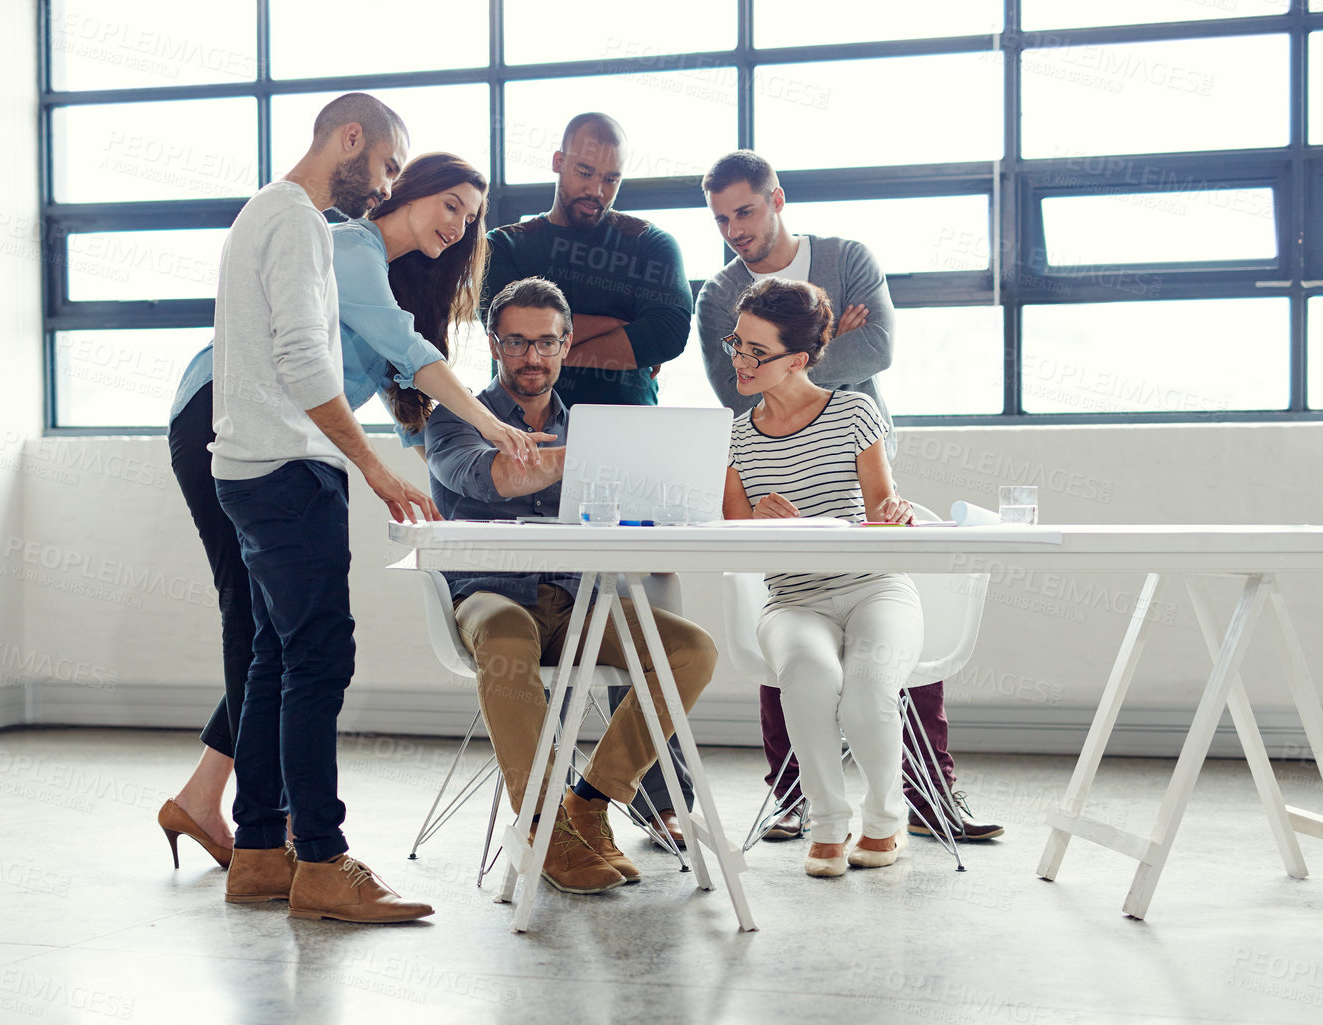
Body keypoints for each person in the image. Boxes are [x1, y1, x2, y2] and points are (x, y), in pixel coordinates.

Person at [158, 149, 550, 878]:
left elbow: (413, 401)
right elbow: (406, 353)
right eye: (451, 206)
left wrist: (494, 455)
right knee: (265, 624)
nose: (459, 227)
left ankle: (214, 807)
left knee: (277, 629)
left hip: (285, 431)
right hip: (225, 412)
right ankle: (264, 838)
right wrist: (491, 426)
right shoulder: (347, 245)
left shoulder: (392, 284)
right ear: (407, 191)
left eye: (470, 219)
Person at [697, 149, 1001, 843]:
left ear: (777, 198)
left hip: (851, 443)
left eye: (744, 210)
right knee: (790, 616)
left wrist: (802, 365)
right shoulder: (719, 293)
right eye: (719, 219)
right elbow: (729, 389)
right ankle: (793, 795)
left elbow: (882, 349)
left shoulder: (844, 256)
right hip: (769, 454)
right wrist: (826, 342)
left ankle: (928, 792)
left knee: (881, 611)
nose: (734, 229)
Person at [425, 276, 720, 894]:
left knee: (691, 650)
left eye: (547, 343)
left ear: (566, 346)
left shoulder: (592, 425)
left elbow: (640, 505)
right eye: (517, 342)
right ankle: (542, 827)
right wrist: (604, 457)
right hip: (492, 595)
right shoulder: (454, 419)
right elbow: (496, 479)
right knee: (506, 639)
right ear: (493, 343)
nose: (532, 358)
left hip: (579, 599)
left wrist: (660, 491)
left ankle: (589, 802)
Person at [721, 277, 921, 877]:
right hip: (793, 601)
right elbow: (730, 536)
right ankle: (829, 824)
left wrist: (895, 514)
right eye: (738, 344)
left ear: (799, 360)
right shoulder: (734, 437)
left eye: (759, 352)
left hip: (876, 587)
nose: (741, 361)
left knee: (866, 688)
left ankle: (886, 822)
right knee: (807, 678)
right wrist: (755, 519)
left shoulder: (855, 411)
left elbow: (883, 506)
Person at [480, 113, 693, 409]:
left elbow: (667, 334)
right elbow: (506, 333)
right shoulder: (502, 246)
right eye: (585, 172)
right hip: (524, 432)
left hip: (630, 430)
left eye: (611, 179)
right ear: (558, 162)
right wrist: (620, 326)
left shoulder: (651, 243)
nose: (596, 190)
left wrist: (544, 357)